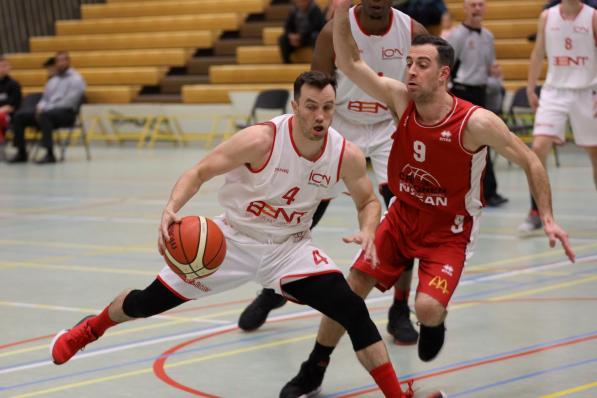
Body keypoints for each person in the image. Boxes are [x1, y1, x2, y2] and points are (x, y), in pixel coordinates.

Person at [49, 71, 420, 397]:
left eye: (327, 107)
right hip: (230, 242)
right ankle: (89, 329)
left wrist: (369, 230)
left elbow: (368, 200)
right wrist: (171, 208)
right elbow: (199, 172)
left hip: (289, 248)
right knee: (145, 303)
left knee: (352, 308)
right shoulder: (261, 139)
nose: (320, 116)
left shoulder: (345, 154)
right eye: (310, 106)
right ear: (294, 105)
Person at [279, 1, 576, 397]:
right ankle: (314, 366)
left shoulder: (476, 122)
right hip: (403, 216)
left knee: (428, 309)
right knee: (352, 287)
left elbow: (530, 162)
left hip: (449, 230)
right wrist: (344, 14)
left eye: (421, 65)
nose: (411, 71)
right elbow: (350, 63)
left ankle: (433, 321)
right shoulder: (400, 99)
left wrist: (549, 216)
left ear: (443, 74)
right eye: (409, 63)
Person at [238, 0, 428, 347]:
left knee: (404, 218)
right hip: (342, 123)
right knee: (301, 210)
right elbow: (315, 90)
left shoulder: (413, 33)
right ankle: (273, 289)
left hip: (389, 125)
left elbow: (425, 90)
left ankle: (400, 309)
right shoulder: (333, 31)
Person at [518, 0, 597, 234]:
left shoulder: (593, 16)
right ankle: (538, 212)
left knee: (594, 154)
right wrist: (531, 88)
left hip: (586, 91)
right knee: (538, 148)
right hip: (555, 91)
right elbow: (538, 52)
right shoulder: (547, 16)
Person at [446, 0, 509, 207]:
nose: (476, 8)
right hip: (461, 92)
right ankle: (467, 192)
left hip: (481, 93)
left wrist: (496, 80)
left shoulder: (488, 37)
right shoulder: (456, 35)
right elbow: (448, 66)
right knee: (463, 144)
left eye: (480, 5)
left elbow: (491, 68)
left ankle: (488, 192)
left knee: (485, 142)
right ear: (465, 8)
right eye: (472, 4)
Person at [7, 51, 85, 164]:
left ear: (68, 61)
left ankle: (50, 154)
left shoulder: (76, 79)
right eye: (58, 61)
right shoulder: (52, 81)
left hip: (66, 113)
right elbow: (45, 98)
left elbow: (70, 101)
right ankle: (21, 152)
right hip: (48, 111)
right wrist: (40, 106)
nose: (61, 63)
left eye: (63, 60)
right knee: (20, 116)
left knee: (45, 116)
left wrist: (47, 108)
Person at [0, 56, 22, 146]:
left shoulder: (14, 84)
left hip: (9, 115)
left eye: (4, 66)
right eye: (0, 66)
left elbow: (13, 106)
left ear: (9, 68)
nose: (1, 68)